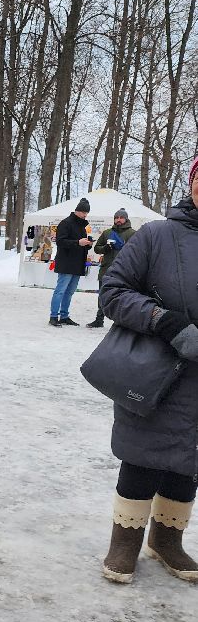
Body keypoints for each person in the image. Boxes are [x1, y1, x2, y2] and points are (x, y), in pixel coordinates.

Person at [99, 164, 198, 584]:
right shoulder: (157, 235)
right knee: (143, 455)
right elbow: (113, 291)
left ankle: (167, 539)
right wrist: (164, 321)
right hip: (159, 371)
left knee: (190, 462)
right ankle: (126, 540)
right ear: (192, 182)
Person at [87, 207, 134, 329]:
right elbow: (97, 248)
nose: (118, 220)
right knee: (102, 295)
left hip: (123, 271)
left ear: (126, 219)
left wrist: (122, 248)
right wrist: (106, 249)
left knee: (121, 296)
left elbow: (136, 252)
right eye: (116, 218)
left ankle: (120, 322)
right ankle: (99, 319)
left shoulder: (132, 233)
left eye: (121, 217)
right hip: (106, 269)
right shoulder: (107, 232)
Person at [49, 198, 92, 327]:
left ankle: (64, 316)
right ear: (77, 211)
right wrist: (78, 242)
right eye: (83, 212)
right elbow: (60, 242)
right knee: (60, 290)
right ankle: (53, 316)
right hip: (66, 263)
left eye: (86, 213)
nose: (85, 215)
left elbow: (80, 244)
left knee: (70, 292)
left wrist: (87, 244)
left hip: (78, 264)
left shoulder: (82, 226)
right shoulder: (65, 223)